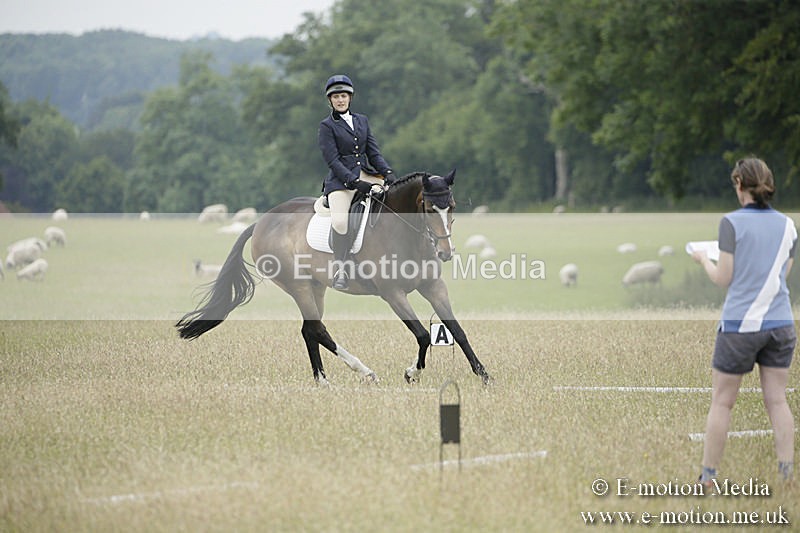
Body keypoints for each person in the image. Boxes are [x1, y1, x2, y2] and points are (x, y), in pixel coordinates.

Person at [692, 157, 796, 486]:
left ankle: (708, 476)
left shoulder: (731, 223)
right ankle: (787, 472)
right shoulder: (789, 225)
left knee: (723, 402)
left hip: (740, 326)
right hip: (780, 324)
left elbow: (724, 277)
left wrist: (702, 260)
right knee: (777, 400)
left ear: (740, 185)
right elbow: (783, 275)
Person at [317, 74, 394, 290]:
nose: (340, 100)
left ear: (350, 98)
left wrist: (387, 172)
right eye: (336, 97)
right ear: (330, 100)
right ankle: (341, 268)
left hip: (368, 175)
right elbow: (332, 160)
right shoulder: (327, 126)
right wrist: (353, 181)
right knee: (340, 222)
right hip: (341, 182)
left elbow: (373, 153)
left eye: (343, 96)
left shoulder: (362, 120)